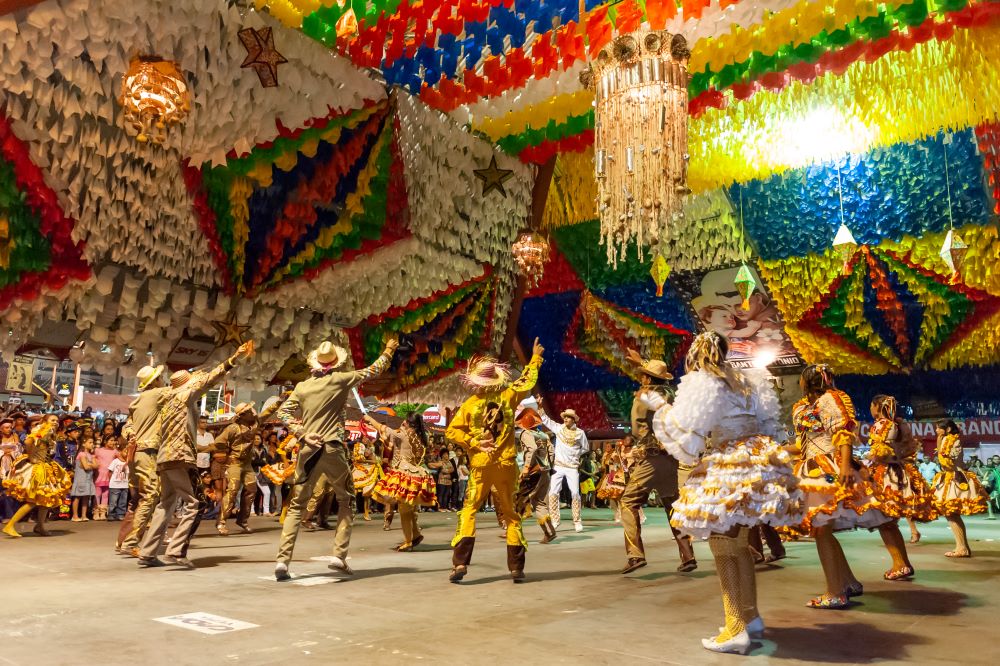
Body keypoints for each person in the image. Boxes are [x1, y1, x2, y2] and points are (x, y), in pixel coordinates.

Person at [643, 331, 803, 654]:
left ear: (699, 353)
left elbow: (687, 437)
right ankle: (750, 616)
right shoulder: (748, 380)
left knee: (722, 546)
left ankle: (735, 628)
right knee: (740, 543)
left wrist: (658, 403)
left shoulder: (706, 380)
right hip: (756, 462)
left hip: (728, 464)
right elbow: (769, 424)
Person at [273, 338, 397, 581]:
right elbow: (374, 370)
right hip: (332, 447)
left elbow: (283, 413)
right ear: (335, 362)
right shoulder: (340, 379)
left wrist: (301, 433)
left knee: (298, 505)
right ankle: (338, 556)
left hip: (307, 448)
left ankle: (282, 562)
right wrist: (389, 350)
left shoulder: (302, 387)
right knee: (345, 500)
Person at [138, 341, 253, 569]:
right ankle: (176, 551)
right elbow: (210, 379)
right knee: (195, 502)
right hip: (180, 455)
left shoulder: (168, 400)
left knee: (166, 504)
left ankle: (148, 552)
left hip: (165, 457)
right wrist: (232, 359)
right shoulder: (184, 397)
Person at [788, 364, 889, 609]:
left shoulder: (830, 399)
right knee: (822, 528)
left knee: (822, 528)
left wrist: (844, 467)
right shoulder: (803, 406)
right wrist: (776, 451)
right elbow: (804, 442)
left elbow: (842, 434)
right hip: (809, 467)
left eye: (802, 378)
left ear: (809, 380)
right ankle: (848, 583)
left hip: (826, 469)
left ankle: (835, 592)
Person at [445, 338, 544, 584]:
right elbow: (527, 381)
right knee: (511, 514)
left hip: (480, 465)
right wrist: (534, 359)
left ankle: (460, 563)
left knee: (469, 510)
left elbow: (451, 432)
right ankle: (516, 568)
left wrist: (475, 442)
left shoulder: (470, 405)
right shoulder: (508, 396)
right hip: (507, 465)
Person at [619, 350, 696, 575]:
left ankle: (635, 555)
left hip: (652, 457)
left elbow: (636, 428)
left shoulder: (644, 396)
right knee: (672, 505)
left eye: (643, 375)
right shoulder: (673, 394)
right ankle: (688, 555)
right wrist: (641, 364)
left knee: (628, 502)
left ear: (647, 379)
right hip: (672, 457)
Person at [866, 395, 935, 577]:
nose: (870, 409)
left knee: (886, 522)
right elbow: (907, 451)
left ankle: (901, 565)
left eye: (871, 406)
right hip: (897, 471)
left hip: (888, 474)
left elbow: (881, 453)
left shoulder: (883, 424)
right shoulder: (898, 425)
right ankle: (903, 564)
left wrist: (865, 463)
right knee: (888, 522)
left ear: (877, 406)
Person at [214, 397, 286, 536]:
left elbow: (268, 411)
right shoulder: (232, 428)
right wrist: (226, 453)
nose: (253, 413)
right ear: (242, 416)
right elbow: (218, 442)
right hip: (234, 463)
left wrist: (280, 401)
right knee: (233, 490)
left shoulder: (255, 423)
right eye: (248, 411)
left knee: (251, 490)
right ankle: (221, 521)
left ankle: (242, 520)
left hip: (247, 464)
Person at [117, 365, 168, 556]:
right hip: (147, 453)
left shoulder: (136, 402)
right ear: (155, 381)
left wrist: (132, 435)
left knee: (139, 500)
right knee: (151, 496)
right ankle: (130, 542)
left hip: (137, 454)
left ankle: (125, 539)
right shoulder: (157, 394)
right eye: (160, 377)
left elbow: (127, 427)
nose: (163, 379)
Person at [368, 413, 437, 551]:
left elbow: (384, 429)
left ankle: (408, 542)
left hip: (406, 473)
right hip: (418, 474)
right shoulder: (423, 437)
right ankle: (416, 534)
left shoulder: (405, 435)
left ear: (409, 422)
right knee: (409, 509)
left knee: (404, 510)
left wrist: (369, 419)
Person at [2, 415, 72, 537]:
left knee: (46, 499)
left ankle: (40, 526)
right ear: (45, 421)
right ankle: (10, 525)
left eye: (56, 420)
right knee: (34, 500)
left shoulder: (50, 432)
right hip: (37, 469)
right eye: (52, 420)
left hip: (46, 466)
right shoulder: (41, 430)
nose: (55, 422)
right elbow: (28, 441)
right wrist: (31, 455)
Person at [932, 419, 987, 558]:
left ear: (948, 429)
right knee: (950, 514)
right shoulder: (946, 439)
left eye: (939, 428)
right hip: (949, 477)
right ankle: (962, 547)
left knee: (951, 513)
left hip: (954, 478)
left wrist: (939, 445)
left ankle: (962, 548)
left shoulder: (952, 440)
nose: (936, 431)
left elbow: (948, 464)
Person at [539, 407, 588, 533]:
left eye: (568, 417)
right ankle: (555, 520)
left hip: (572, 467)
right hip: (558, 465)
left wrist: (575, 455)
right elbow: (546, 420)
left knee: (575, 493)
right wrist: (540, 407)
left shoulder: (580, 433)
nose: (565, 419)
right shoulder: (559, 428)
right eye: (564, 417)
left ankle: (577, 521)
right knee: (553, 493)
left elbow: (585, 448)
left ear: (573, 419)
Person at [512, 408, 556, 544]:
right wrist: (550, 467)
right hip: (545, 471)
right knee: (540, 502)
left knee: (519, 499)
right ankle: (549, 532)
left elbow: (532, 449)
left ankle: (513, 531)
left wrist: (525, 469)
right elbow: (552, 452)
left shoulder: (526, 433)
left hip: (534, 472)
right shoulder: (544, 435)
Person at [350, 435, 383, 521]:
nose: (365, 440)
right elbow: (355, 459)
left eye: (367, 438)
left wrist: (364, 460)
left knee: (367, 493)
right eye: (364, 438)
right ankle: (351, 513)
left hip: (368, 471)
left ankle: (366, 513)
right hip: (358, 470)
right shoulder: (358, 446)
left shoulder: (370, 448)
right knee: (354, 492)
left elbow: (375, 461)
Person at [0, 416, 24, 520]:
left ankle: (11, 515)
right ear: (1, 429)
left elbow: (20, 452)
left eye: (10, 427)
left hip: (12, 466)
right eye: (6, 427)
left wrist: (12, 452)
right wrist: (2, 452)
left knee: (10, 491)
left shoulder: (15, 437)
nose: (9, 429)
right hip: (1, 465)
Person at [70, 437, 98, 522]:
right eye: (90, 442)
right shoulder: (82, 454)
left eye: (93, 442)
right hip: (81, 478)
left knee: (86, 496)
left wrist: (89, 464)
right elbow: (86, 467)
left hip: (88, 479)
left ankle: (83, 515)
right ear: (83, 444)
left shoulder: (91, 455)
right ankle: (75, 515)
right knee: (78, 496)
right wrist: (91, 465)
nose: (92, 444)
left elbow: (96, 466)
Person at [93, 435, 119, 521]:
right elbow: (93, 458)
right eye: (111, 440)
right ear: (105, 441)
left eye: (114, 441)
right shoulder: (98, 450)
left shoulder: (115, 451)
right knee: (97, 494)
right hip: (99, 475)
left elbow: (121, 457)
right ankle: (96, 512)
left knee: (105, 495)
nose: (113, 442)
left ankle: (103, 512)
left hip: (109, 476)